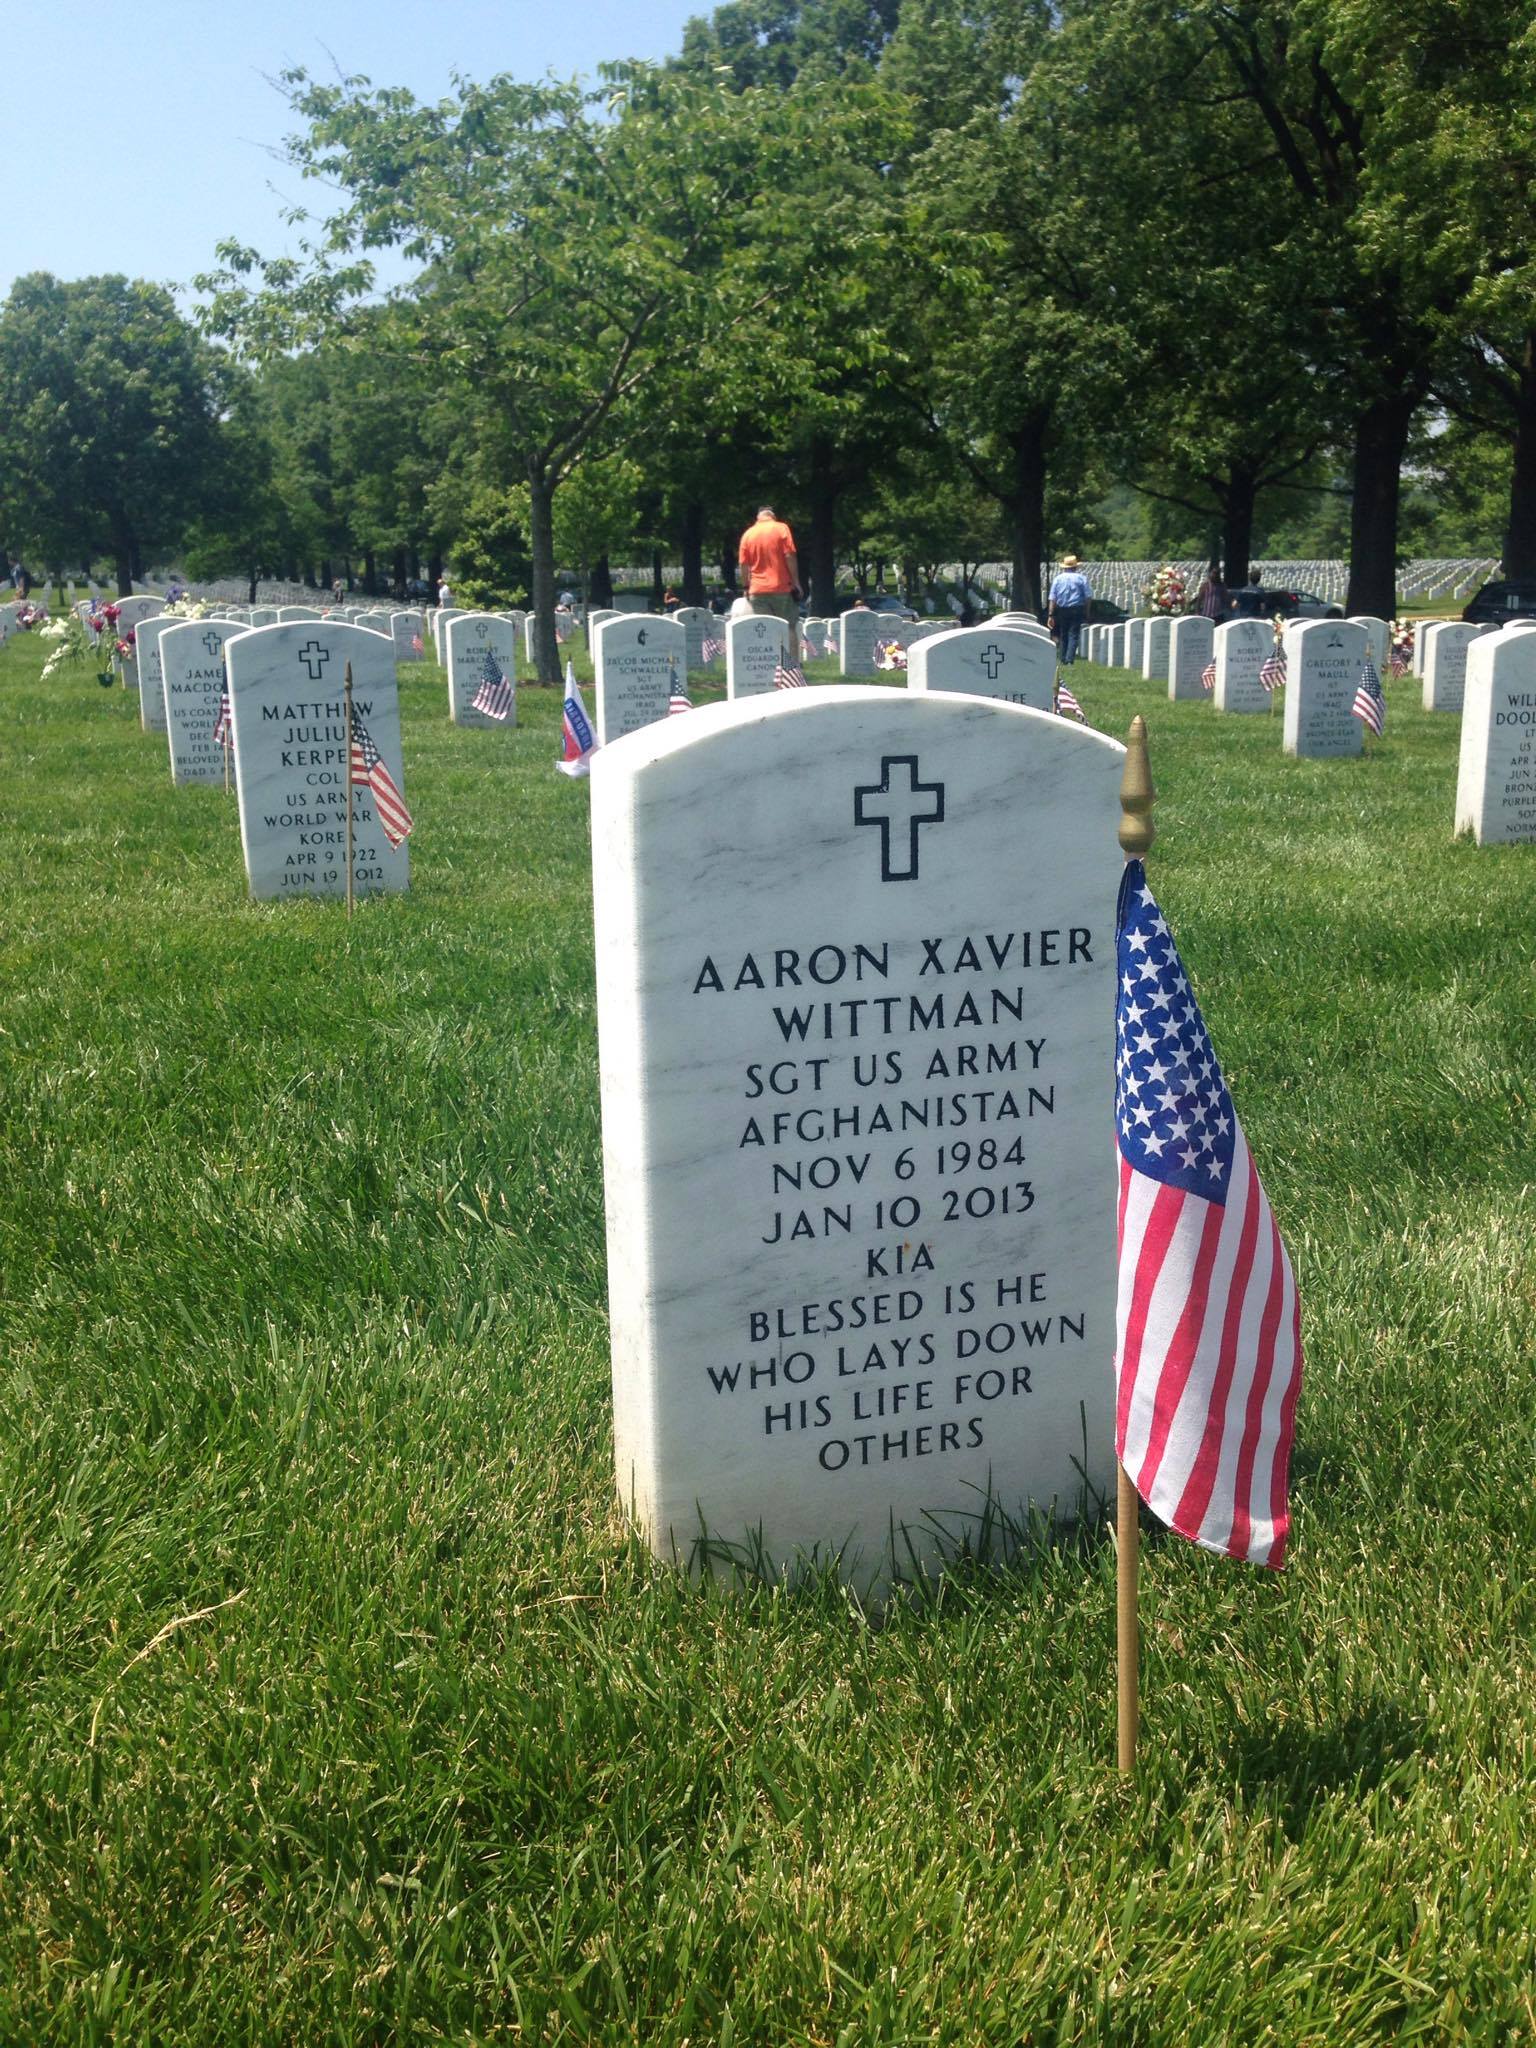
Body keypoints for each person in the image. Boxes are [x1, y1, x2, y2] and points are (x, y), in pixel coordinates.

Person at [736, 504, 802, 661]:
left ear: (758, 517)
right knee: (789, 627)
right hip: (781, 588)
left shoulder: (748, 534)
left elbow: (743, 565)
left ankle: (770, 667)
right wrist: (796, 582)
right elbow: (789, 556)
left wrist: (746, 585)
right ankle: (792, 668)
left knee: (765, 630)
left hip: (757, 590)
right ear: (772, 516)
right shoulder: (781, 528)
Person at [1046, 554, 1092, 665]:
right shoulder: (1081, 578)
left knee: (1063, 634)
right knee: (1073, 634)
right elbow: (1088, 597)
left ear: (1064, 567)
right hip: (1077, 608)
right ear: (1075, 567)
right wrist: (1087, 611)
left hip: (1062, 609)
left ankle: (1063, 658)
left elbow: (1052, 598)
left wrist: (1050, 615)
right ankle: (1069, 659)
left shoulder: (1058, 579)